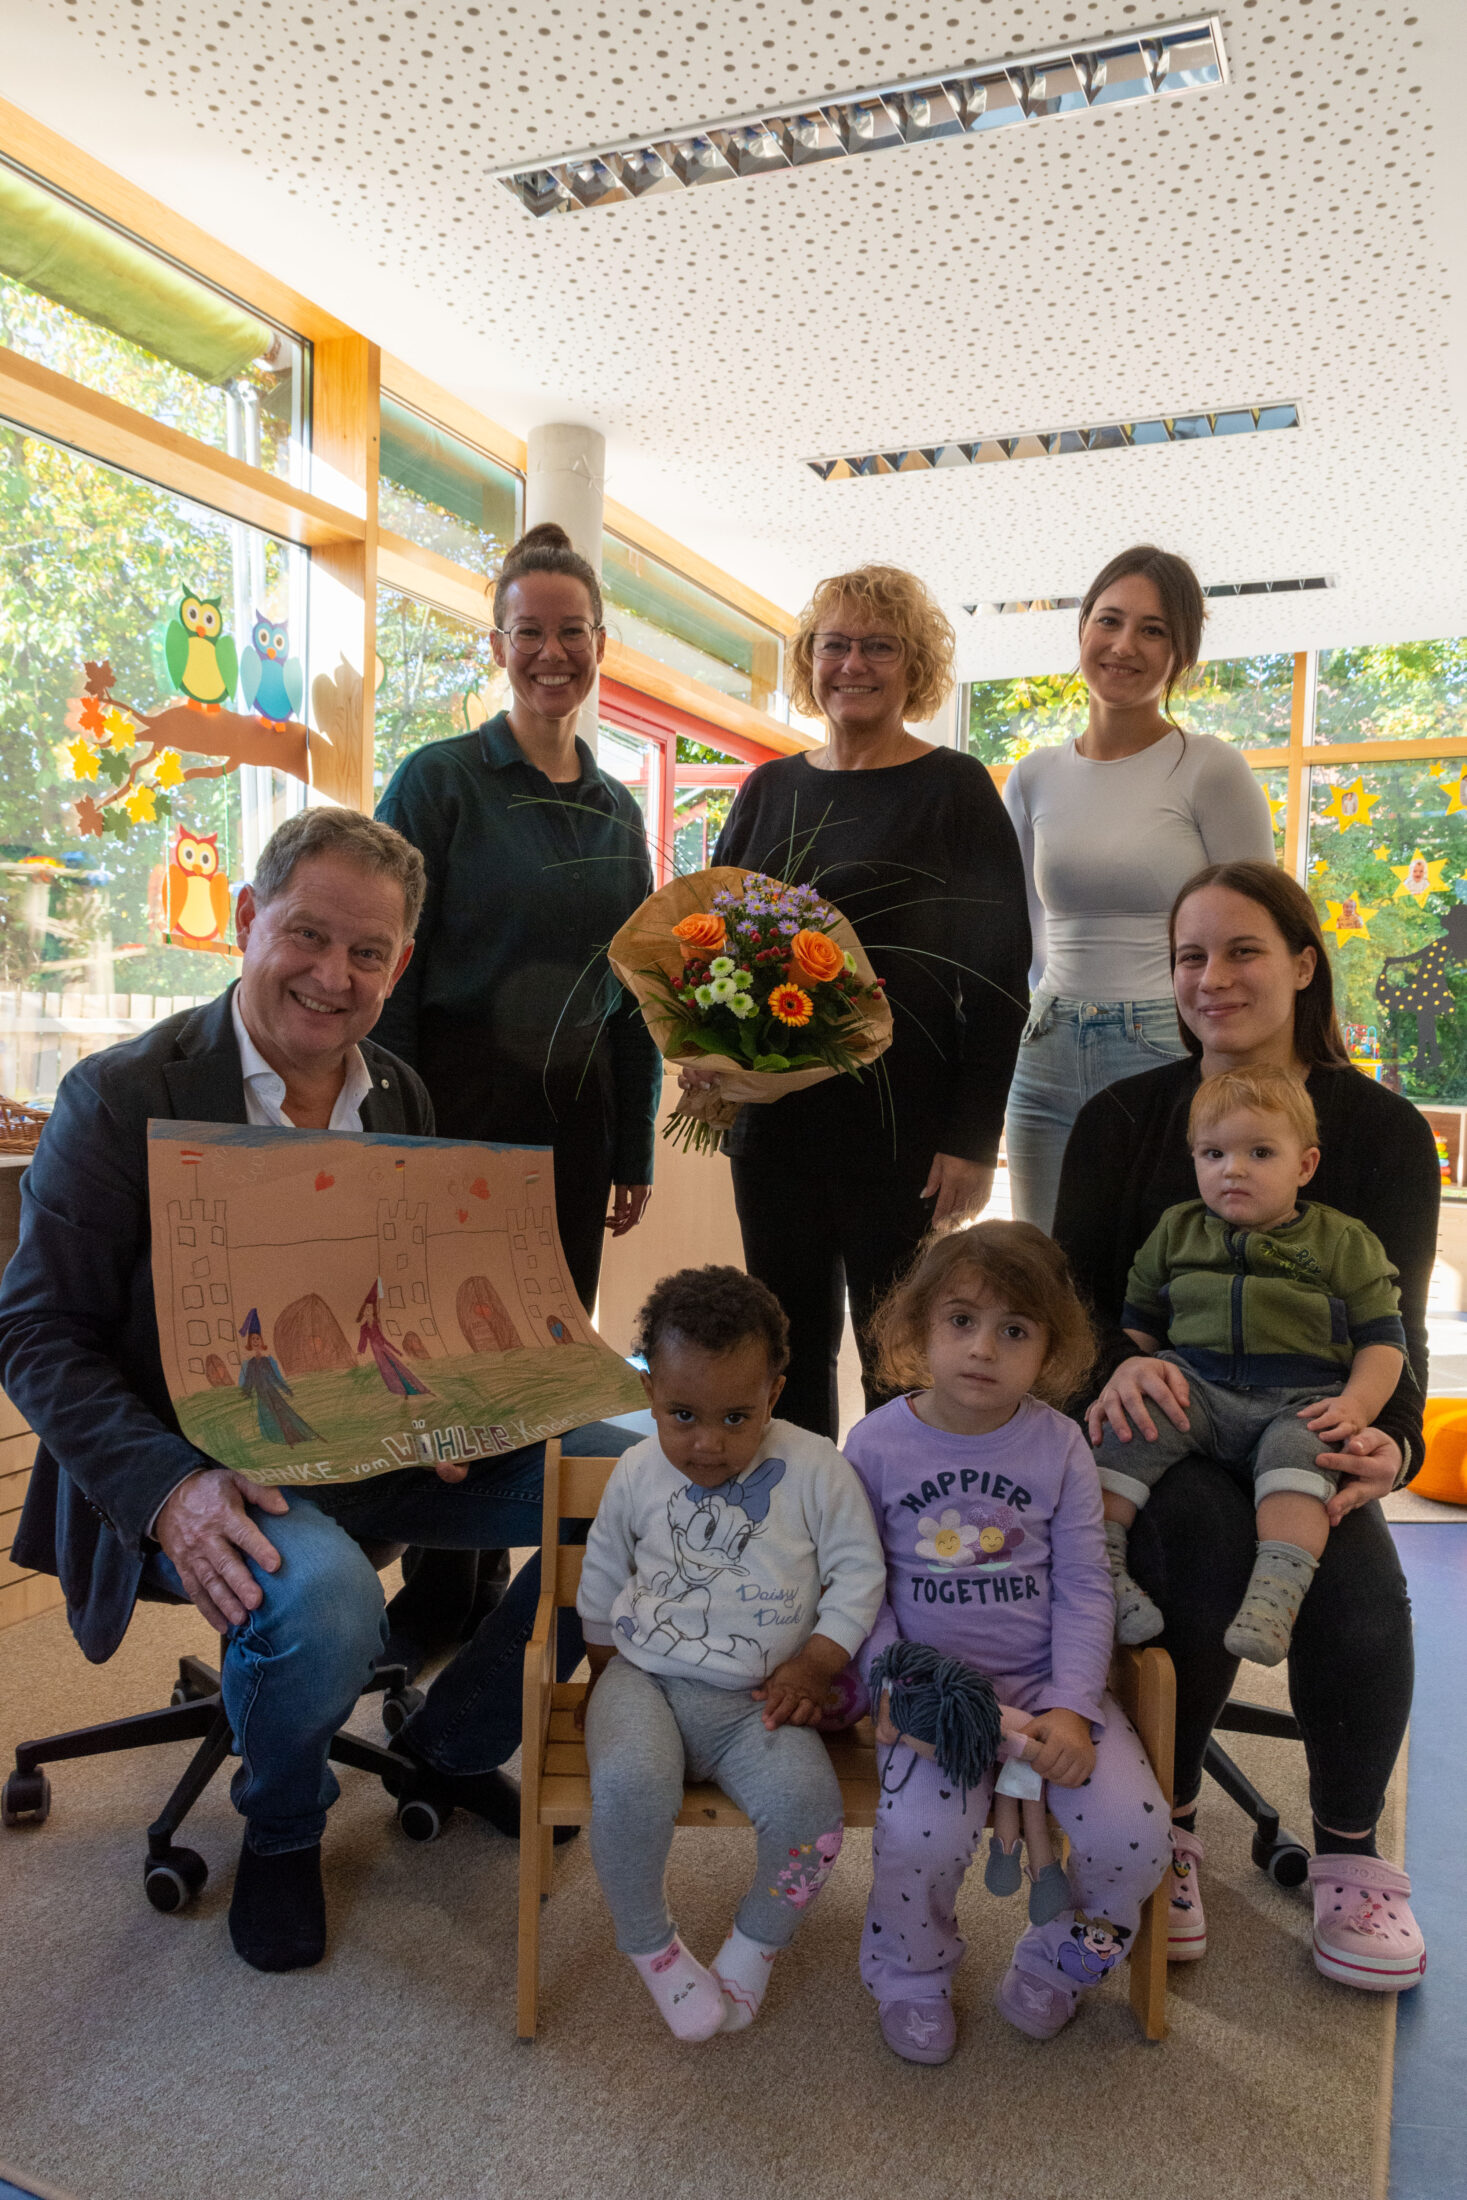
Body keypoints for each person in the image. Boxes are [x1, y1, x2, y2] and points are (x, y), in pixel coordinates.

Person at [0, 807, 636, 1974]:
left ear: (398, 965)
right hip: (194, 1473)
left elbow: (414, 1302)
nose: (333, 976)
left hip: (383, 1447)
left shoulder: (398, 1090)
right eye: (307, 935)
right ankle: (283, 1825)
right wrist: (174, 1489)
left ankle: (452, 1738)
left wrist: (458, 1396)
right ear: (247, 921)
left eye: (368, 953)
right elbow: (36, 1334)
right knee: (330, 1609)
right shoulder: (121, 1095)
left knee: (636, 1481)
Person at [1053, 859, 1434, 1989]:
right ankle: (1162, 1822)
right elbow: (1067, 1305)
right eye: (1190, 956)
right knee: (1201, 1546)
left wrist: (1389, 1443)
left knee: (1360, 1588)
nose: (1211, 978)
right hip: (1161, 1415)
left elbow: (1392, 1323)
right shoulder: (1122, 1118)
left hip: (1305, 1426)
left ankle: (1353, 1858)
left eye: (1243, 950)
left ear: (1304, 963)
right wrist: (1104, 1382)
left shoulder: (1381, 1132)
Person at [374, 521, 660, 1666]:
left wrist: (633, 1143)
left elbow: (636, 990)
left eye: (573, 631)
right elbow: (389, 962)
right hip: (452, 1104)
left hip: (575, 1119)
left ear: (600, 645)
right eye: (530, 630)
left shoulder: (616, 809)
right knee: (446, 1358)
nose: (554, 651)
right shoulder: (441, 779)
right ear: (498, 643)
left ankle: (494, 1585)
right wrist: (388, 1123)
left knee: (536, 1358)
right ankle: (441, 1591)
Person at [708, 563, 1031, 1439]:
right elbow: (711, 948)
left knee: (897, 1353)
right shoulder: (769, 790)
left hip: (905, 1132)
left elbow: (1000, 980)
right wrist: (709, 1064)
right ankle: (807, 1542)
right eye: (834, 644)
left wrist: (973, 1140)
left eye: (878, 646)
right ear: (810, 660)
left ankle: (905, 1551)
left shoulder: (955, 790)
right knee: (783, 1349)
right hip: (776, 1132)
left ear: (913, 664)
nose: (853, 663)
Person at [844, 1222, 1169, 2064]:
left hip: (1052, 1690)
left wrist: (1066, 1704)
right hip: (930, 1702)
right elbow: (858, 1584)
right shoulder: (874, 1444)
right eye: (959, 1321)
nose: (982, 1348)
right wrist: (890, 1683)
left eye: (1013, 1330)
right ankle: (909, 1973)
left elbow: (1084, 1585)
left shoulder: (1059, 1444)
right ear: (917, 1328)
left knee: (1133, 1835)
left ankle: (1062, 1960)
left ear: (1048, 1352)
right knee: (920, 1838)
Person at [576, 1266, 885, 2039]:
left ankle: (756, 1944)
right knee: (627, 1783)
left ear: (775, 1393)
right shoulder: (636, 1470)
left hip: (759, 1702)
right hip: (644, 1678)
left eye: (735, 1417)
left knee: (811, 1820)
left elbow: (858, 1575)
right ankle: (650, 1948)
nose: (707, 1443)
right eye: (682, 1415)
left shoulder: (818, 1469)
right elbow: (603, 1575)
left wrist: (817, 1663)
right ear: (648, 1391)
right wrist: (604, 1673)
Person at [1094, 1064, 1405, 1670]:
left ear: (1305, 1166)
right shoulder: (1176, 1231)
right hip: (1197, 1389)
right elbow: (1139, 1324)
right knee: (1124, 1433)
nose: (1232, 1169)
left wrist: (1357, 1408)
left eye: (1260, 1152)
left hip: (1300, 1397)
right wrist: (1126, 1371)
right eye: (1213, 1153)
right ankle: (1103, 1571)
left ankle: (1275, 1597)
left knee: (1309, 1456)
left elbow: (1384, 1341)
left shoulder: (1341, 1241)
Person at [1002, 546, 1274, 1234]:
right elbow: (1019, 931)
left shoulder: (1210, 769)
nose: (1123, 645)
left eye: (1152, 630)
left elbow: (1261, 936)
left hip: (1165, 1044)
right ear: (1082, 629)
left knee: (1155, 1274)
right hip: (1044, 1048)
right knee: (1042, 1276)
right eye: (1108, 620)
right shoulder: (1032, 777)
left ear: (1180, 654)